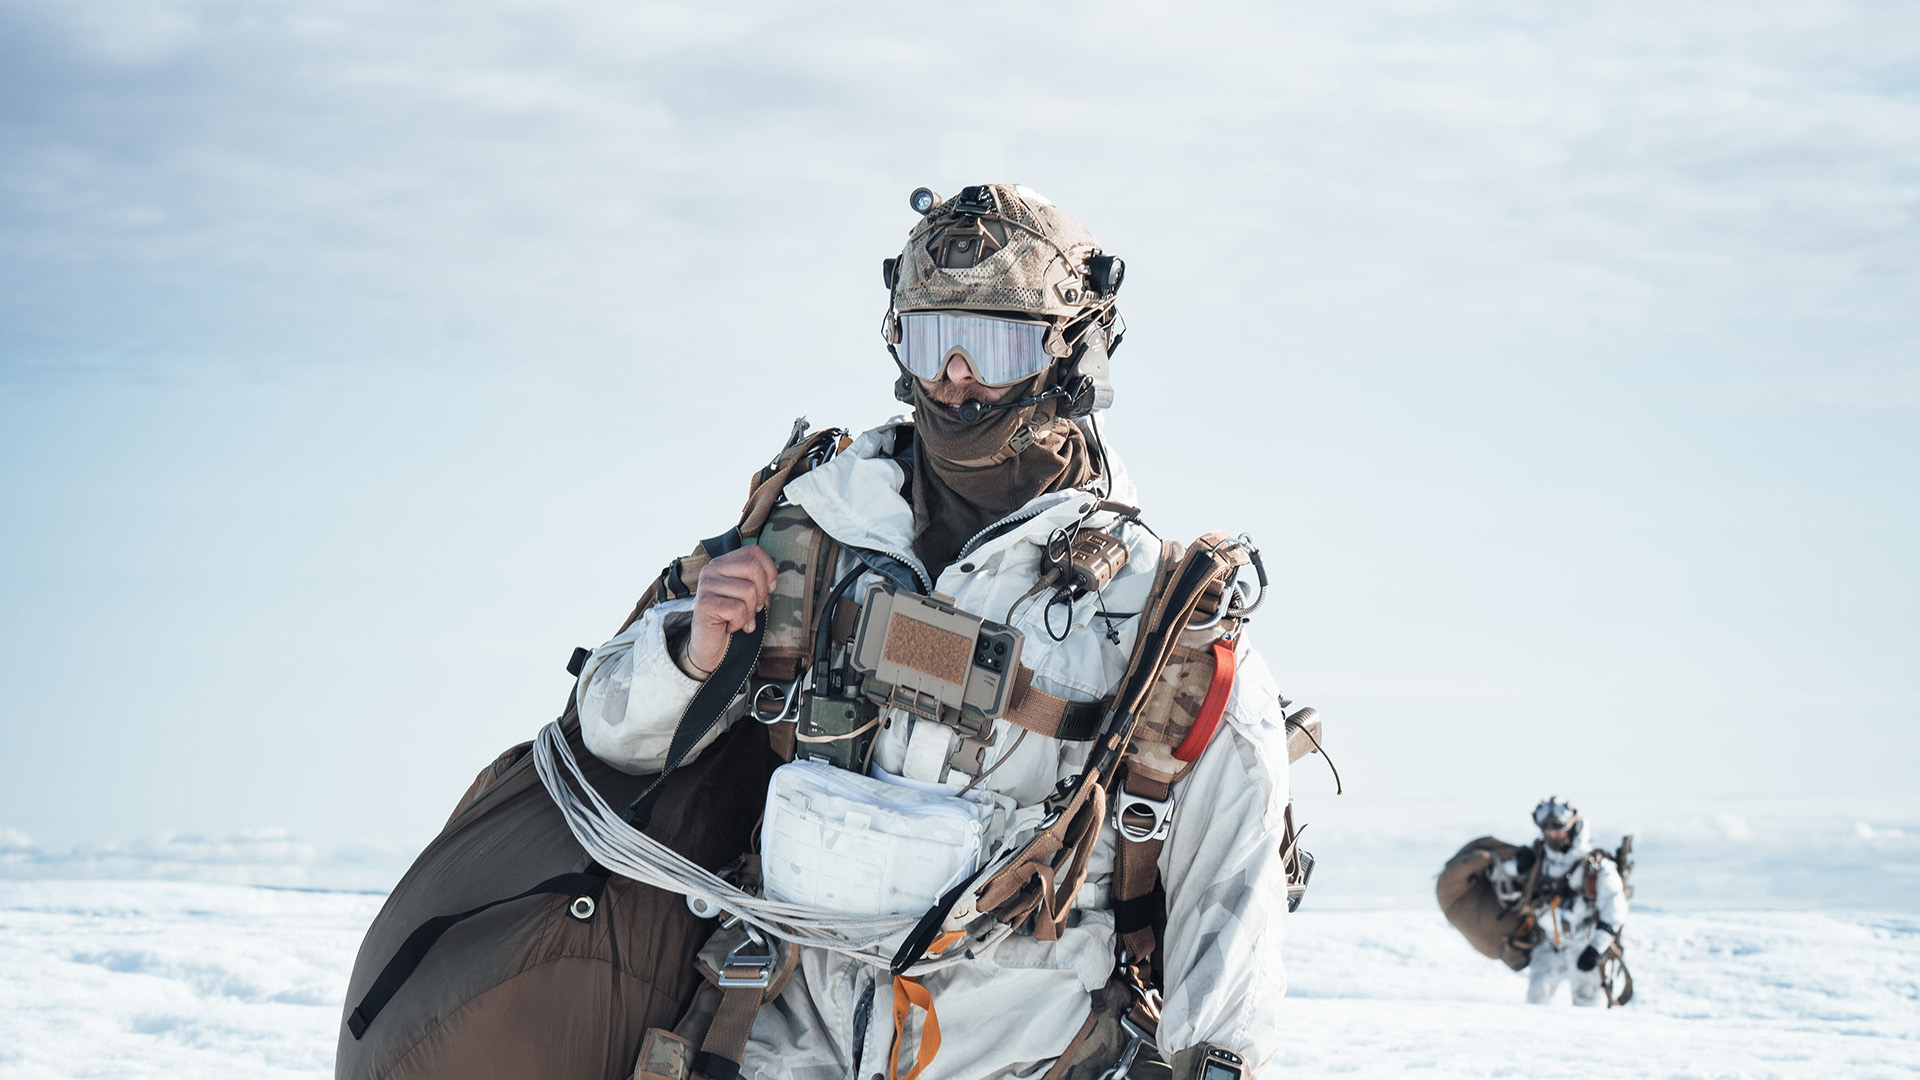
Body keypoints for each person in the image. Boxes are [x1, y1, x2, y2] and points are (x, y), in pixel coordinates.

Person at [573, 185, 1299, 1080]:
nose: (955, 375)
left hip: (1020, 1055)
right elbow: (607, 738)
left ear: (1069, 352)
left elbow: (1233, 881)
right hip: (773, 1040)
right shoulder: (811, 538)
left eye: (991, 342)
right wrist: (689, 658)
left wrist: (1219, 1060)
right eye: (930, 337)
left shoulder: (1157, 620)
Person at [1490, 796, 1629, 1007]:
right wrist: (1517, 866)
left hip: (1585, 944)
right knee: (1536, 999)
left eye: (1559, 829)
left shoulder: (1597, 867)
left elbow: (1614, 910)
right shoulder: (1537, 859)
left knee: (1589, 1008)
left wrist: (1595, 949)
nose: (1553, 835)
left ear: (1572, 827)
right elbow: (1498, 877)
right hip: (1548, 943)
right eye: (1547, 830)